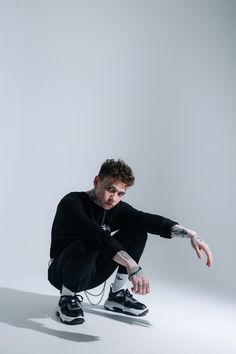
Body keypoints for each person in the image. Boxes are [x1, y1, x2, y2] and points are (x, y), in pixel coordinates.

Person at [48, 159, 213, 325]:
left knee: (138, 229)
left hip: (93, 270)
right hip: (62, 273)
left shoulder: (115, 207)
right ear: (97, 181)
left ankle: (117, 296)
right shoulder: (72, 203)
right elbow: (96, 235)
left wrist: (191, 234)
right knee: (90, 240)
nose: (114, 198)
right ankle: (66, 299)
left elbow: (146, 219)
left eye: (120, 194)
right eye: (110, 189)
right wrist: (132, 265)